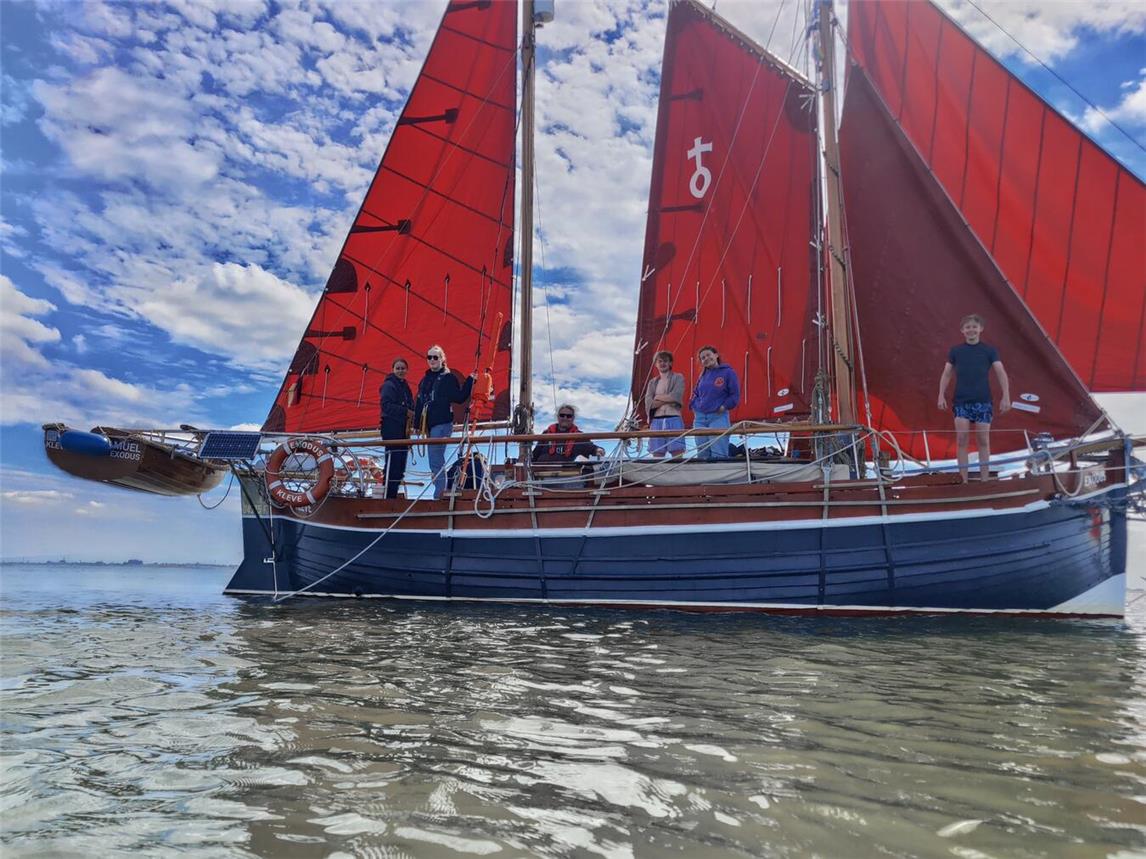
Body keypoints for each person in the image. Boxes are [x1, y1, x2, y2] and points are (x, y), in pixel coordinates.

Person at [937, 314, 1011, 482]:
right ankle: (963, 480)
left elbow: (1000, 372)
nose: (971, 330)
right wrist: (941, 395)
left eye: (974, 327)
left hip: (983, 401)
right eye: (968, 327)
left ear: (980, 329)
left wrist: (1006, 396)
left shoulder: (989, 351)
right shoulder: (956, 351)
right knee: (962, 440)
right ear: (962, 330)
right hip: (961, 402)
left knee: (983, 440)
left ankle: (985, 480)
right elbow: (946, 374)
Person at [414, 345, 475, 499]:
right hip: (430, 425)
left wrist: (470, 380)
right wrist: (416, 425)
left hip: (442, 424)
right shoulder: (424, 381)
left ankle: (439, 495)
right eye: (429, 357)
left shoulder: (448, 378)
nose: (432, 360)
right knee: (434, 460)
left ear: (442, 359)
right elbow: (419, 403)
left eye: (435, 357)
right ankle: (440, 492)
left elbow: (459, 397)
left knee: (435, 460)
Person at [689, 345, 740, 459]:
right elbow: (695, 394)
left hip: (718, 416)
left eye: (708, 355)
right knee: (702, 451)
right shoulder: (702, 376)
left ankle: (720, 469)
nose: (706, 358)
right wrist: (695, 406)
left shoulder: (728, 372)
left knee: (719, 451)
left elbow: (734, 395)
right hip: (700, 418)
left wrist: (724, 406)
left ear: (716, 355)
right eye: (703, 358)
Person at [379, 357, 414, 499]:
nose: (400, 371)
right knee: (393, 463)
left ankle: (391, 495)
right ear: (393, 370)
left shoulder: (405, 386)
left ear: (407, 370)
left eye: (403, 368)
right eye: (398, 368)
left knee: (400, 465)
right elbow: (386, 406)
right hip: (391, 428)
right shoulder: (389, 385)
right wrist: (405, 411)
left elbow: (411, 405)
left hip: (403, 430)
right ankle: (388, 496)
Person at [644, 350, 686, 459]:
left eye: (666, 361)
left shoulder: (678, 377)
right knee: (657, 453)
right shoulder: (652, 382)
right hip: (656, 421)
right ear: (656, 364)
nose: (663, 363)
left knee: (677, 453)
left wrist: (657, 397)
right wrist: (668, 399)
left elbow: (676, 396)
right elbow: (649, 403)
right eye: (660, 361)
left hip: (674, 418)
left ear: (670, 363)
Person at [532, 404, 605, 465]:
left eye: (569, 416)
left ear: (573, 418)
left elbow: (592, 449)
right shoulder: (546, 433)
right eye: (562, 415)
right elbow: (535, 454)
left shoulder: (578, 436)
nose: (565, 418)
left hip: (566, 474)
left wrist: (598, 450)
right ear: (558, 417)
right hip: (540, 472)